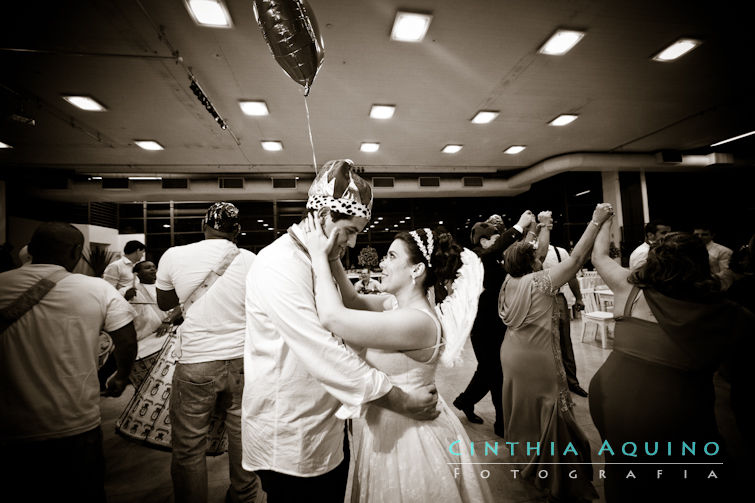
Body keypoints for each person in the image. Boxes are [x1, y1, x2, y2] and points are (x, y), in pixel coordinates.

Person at [242, 159, 439, 503]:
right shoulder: (281, 264)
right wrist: (402, 400)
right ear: (322, 217)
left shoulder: (318, 257)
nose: (350, 243)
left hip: (327, 422)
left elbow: (347, 312)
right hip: (291, 433)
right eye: (349, 231)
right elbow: (324, 350)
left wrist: (329, 260)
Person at [303, 219, 493, 502]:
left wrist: (318, 256)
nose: (383, 263)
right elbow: (353, 301)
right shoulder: (395, 305)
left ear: (416, 269)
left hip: (410, 439)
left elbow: (334, 317)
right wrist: (333, 260)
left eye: (392, 256)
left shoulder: (418, 321)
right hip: (387, 426)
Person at [590, 226, 753, 502]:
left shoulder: (629, 288)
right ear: (702, 265)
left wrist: (602, 220)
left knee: (627, 469)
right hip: (669, 406)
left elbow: (599, 256)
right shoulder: (730, 314)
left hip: (611, 399)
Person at [0, 222, 137, 503]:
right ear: (77, 251)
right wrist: (121, 376)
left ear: (31, 250)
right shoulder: (97, 289)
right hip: (74, 423)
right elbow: (126, 340)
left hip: (8, 426)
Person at [498, 205, 614, 502]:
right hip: (537, 359)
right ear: (534, 263)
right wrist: (595, 221)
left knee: (525, 408)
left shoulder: (509, 281)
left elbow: (531, 249)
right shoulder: (541, 282)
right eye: (538, 257)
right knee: (550, 409)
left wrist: (540, 227)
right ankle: (557, 475)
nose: (541, 258)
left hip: (511, 355)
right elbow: (576, 259)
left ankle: (529, 460)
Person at [156, 203, 260, 503]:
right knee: (242, 437)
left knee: (189, 446)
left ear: (204, 226)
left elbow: (165, 304)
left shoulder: (174, 255)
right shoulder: (250, 260)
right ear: (237, 231)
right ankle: (244, 495)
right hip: (243, 362)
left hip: (196, 363)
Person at [452, 211, 533, 435]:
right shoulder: (477, 258)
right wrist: (518, 226)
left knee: (488, 371)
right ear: (485, 241)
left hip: (497, 324)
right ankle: (502, 423)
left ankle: (465, 401)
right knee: (495, 372)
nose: (499, 243)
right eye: (496, 239)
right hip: (482, 328)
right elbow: (494, 252)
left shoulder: (494, 259)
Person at [120, 261, 181, 387]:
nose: (153, 270)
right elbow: (115, 313)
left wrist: (167, 320)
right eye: (148, 268)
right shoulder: (126, 290)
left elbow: (180, 306)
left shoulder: (166, 288)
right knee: (145, 385)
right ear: (137, 273)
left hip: (164, 336)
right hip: (142, 341)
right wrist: (125, 299)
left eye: (154, 267)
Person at [542, 242, 589, 397]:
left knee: (565, 342)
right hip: (538, 300)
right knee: (542, 343)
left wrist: (579, 298)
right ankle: (550, 386)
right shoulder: (526, 249)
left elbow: (571, 276)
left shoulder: (558, 251)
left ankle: (572, 383)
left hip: (558, 297)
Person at [693, 225, 734, 289]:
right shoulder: (689, 248)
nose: (699, 237)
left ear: (712, 235)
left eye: (704, 234)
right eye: (696, 234)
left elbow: (726, 273)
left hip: (712, 288)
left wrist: (709, 281)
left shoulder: (724, 251)